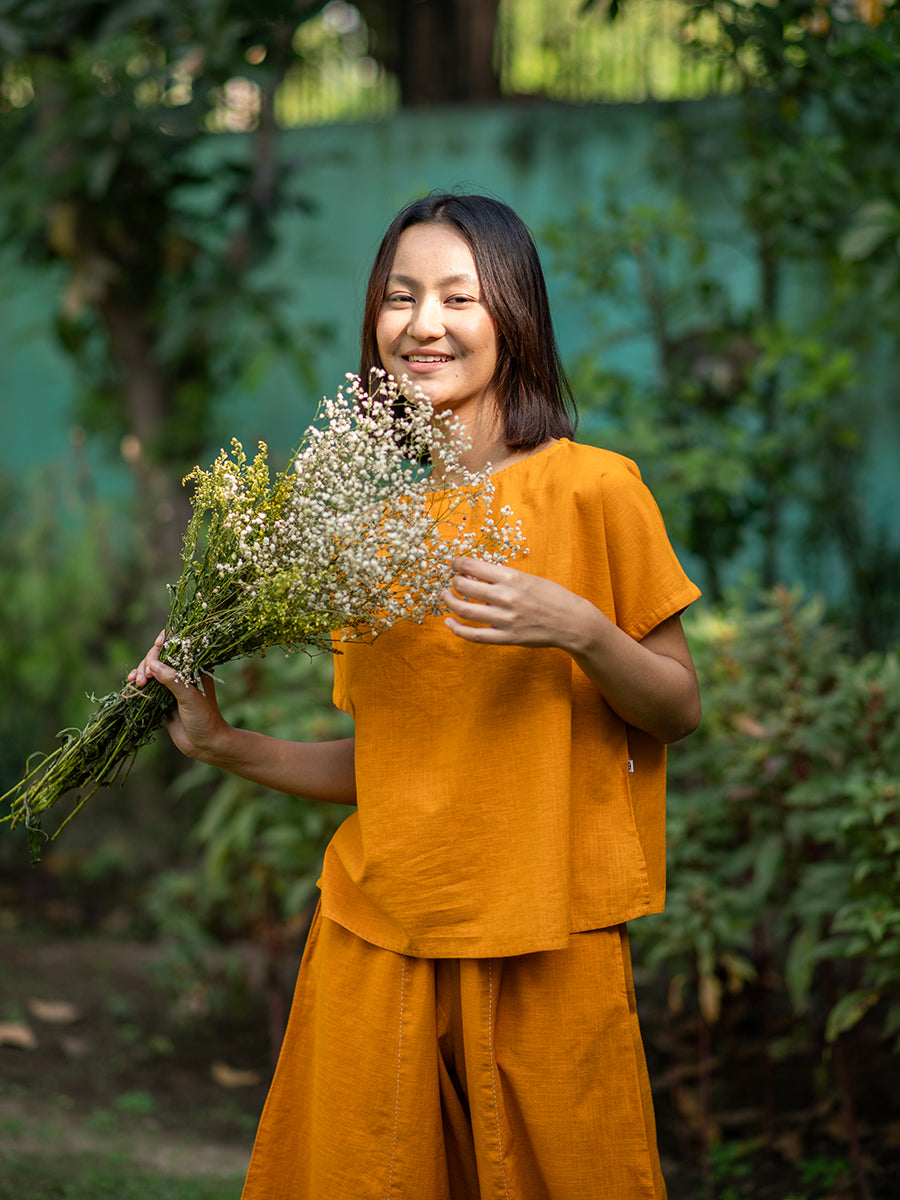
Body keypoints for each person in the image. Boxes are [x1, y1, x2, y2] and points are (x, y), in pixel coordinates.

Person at [131, 193, 701, 1200]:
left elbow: (675, 708)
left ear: (514, 316)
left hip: (545, 934)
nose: (423, 324)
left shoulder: (595, 490)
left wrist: (577, 628)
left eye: (457, 297)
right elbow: (392, 767)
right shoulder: (362, 537)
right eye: (400, 298)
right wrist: (224, 744)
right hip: (377, 931)